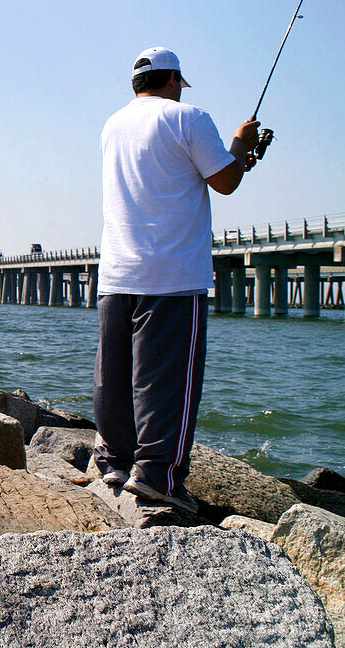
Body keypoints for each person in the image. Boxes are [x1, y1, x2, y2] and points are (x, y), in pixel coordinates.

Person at [92, 47, 261, 512]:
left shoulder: (113, 125)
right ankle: (158, 478)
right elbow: (224, 181)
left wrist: (235, 157)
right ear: (173, 81)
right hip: (170, 276)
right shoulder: (190, 117)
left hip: (116, 275)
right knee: (167, 382)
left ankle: (115, 462)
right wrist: (241, 145)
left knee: (116, 376)